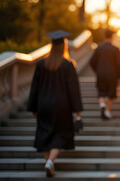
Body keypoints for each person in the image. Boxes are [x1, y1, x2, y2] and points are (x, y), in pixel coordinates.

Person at [27, 30, 83, 178]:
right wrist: (78, 110)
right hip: (62, 106)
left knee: (45, 133)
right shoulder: (68, 65)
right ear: (64, 46)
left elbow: (35, 87)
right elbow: (74, 89)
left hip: (43, 104)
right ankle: (50, 162)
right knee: (61, 134)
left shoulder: (41, 64)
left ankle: (48, 162)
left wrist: (33, 107)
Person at [89, 28, 120, 119]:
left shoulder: (99, 47)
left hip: (100, 73)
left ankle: (102, 105)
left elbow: (91, 61)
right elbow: (119, 64)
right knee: (111, 93)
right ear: (112, 36)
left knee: (101, 91)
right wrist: (119, 75)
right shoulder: (115, 48)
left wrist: (97, 70)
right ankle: (107, 111)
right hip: (112, 74)